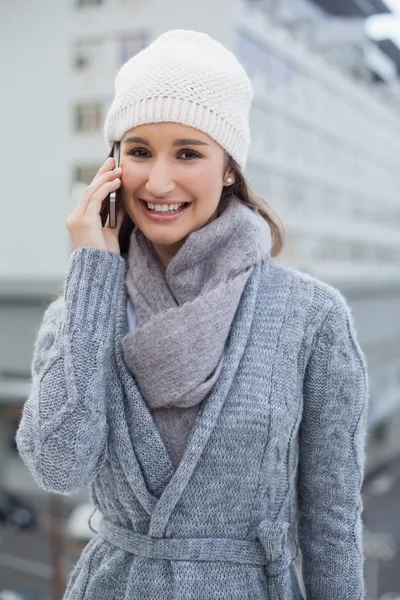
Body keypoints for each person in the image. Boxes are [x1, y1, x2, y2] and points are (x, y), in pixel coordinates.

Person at [16, 29, 369, 600]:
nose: (158, 181)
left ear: (229, 167)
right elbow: (60, 467)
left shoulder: (311, 316)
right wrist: (91, 278)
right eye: (138, 151)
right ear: (113, 167)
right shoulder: (79, 312)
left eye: (187, 152)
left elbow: (330, 519)